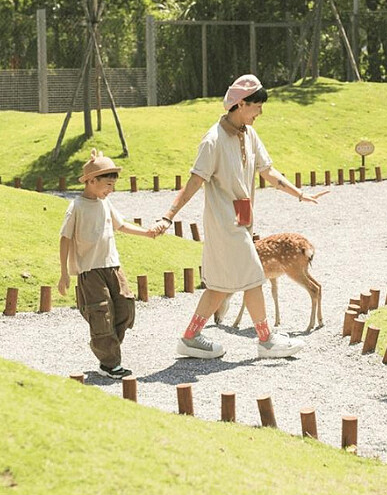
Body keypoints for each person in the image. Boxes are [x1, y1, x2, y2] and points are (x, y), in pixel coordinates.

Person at [150, 74, 319, 359]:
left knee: (218, 285)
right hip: (224, 224)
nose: (260, 113)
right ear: (241, 104)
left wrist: (299, 194)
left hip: (241, 221)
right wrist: (168, 216)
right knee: (254, 275)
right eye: (257, 107)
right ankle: (267, 341)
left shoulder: (250, 135)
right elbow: (194, 181)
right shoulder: (212, 141)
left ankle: (190, 337)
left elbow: (268, 172)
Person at [58, 149, 162, 378]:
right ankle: (109, 363)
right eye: (107, 185)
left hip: (113, 266)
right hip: (90, 271)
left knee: (125, 308)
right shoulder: (76, 207)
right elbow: (65, 238)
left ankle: (105, 346)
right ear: (91, 181)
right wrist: (64, 273)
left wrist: (148, 233)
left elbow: (121, 225)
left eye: (113, 186)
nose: (110, 190)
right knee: (101, 314)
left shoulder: (105, 203)